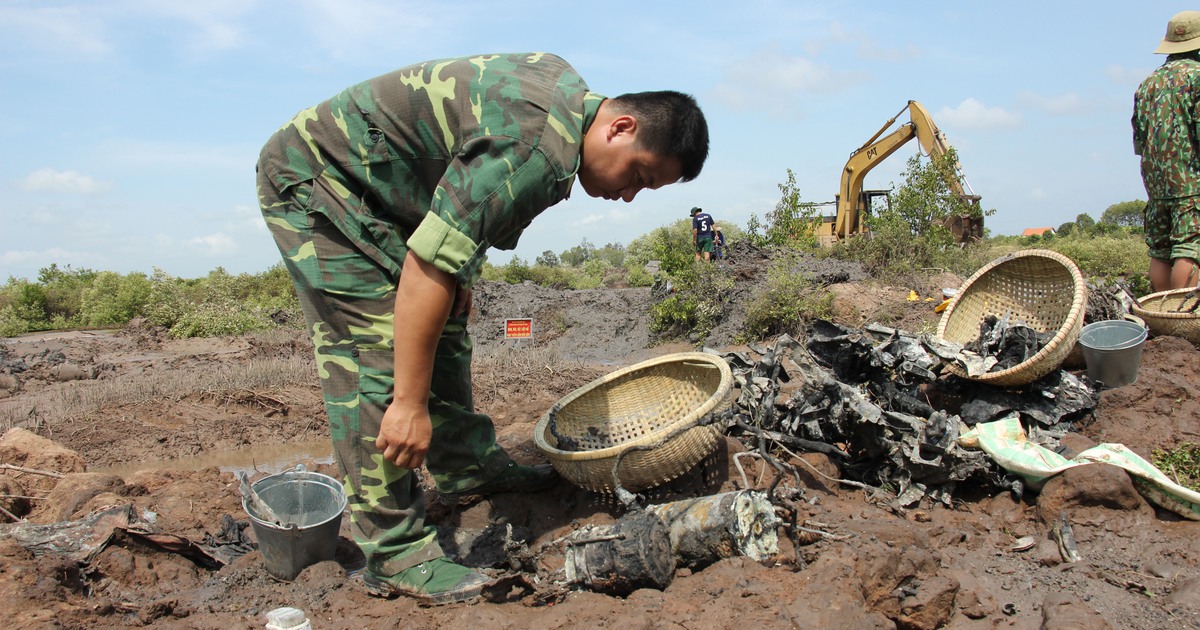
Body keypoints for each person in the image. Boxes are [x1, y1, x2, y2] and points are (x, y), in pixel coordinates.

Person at [256, 52, 708, 605]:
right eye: (639, 175)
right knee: (372, 355)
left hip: (386, 195)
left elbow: (463, 203)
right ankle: (395, 553)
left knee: (445, 318)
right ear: (620, 127)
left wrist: (459, 270)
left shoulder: (566, 100)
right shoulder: (537, 149)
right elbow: (430, 265)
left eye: (647, 189)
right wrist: (409, 404)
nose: (630, 195)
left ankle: (467, 469)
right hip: (322, 180)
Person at [1134, 11, 1200, 292]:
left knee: (1161, 249)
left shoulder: (1148, 84)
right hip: (1192, 182)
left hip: (1157, 186)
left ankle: (1164, 320)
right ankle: (1184, 318)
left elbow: (1139, 142)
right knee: (1191, 246)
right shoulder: (1197, 77)